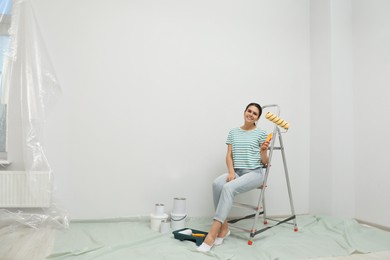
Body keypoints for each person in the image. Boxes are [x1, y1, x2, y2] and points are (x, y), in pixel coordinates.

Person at [197, 102, 270, 253]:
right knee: (217, 184)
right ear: (244, 112)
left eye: (254, 113)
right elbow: (229, 155)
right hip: (237, 171)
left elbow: (265, 162)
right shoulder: (233, 132)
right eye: (249, 111)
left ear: (258, 117)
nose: (250, 114)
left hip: (255, 173)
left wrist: (263, 151)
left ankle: (212, 234)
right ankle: (224, 228)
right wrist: (231, 172)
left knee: (228, 188)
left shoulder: (261, 134)